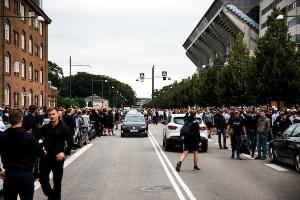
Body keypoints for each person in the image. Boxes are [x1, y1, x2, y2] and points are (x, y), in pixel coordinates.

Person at [0, 110, 45, 200]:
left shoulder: (3, 135)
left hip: (9, 174)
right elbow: (40, 153)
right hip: (25, 174)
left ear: (9, 120)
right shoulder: (28, 136)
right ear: (21, 119)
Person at [39, 107, 73, 200]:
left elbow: (71, 143)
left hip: (58, 158)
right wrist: (41, 147)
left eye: (53, 114)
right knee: (42, 179)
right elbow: (36, 138)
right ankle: (52, 196)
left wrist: (64, 152)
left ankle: (54, 198)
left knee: (57, 182)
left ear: (58, 114)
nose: (51, 116)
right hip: (45, 157)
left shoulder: (64, 127)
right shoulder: (45, 127)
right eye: (50, 115)